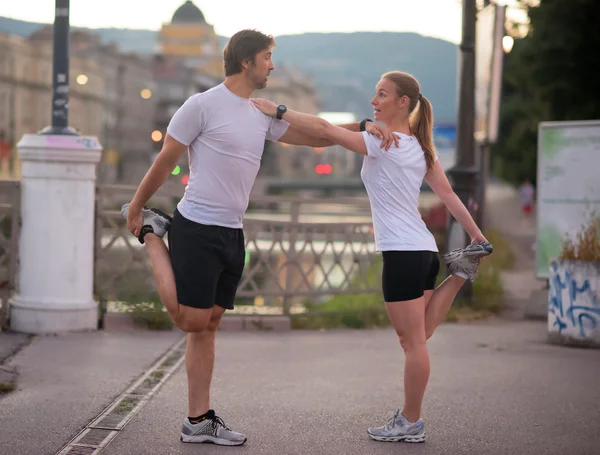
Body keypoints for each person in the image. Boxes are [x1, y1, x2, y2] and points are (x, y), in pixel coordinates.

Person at [120, 29, 398, 446]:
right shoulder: (201, 105)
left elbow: (316, 136)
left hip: (232, 230)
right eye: (267, 57)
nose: (272, 65)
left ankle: (198, 420)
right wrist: (139, 206)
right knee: (192, 319)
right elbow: (166, 160)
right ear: (247, 61)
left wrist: (361, 129)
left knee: (209, 324)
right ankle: (153, 235)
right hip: (195, 224)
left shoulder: (260, 113)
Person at [251, 70, 493, 443]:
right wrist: (476, 234)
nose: (373, 101)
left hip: (403, 252)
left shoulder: (384, 141)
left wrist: (279, 110)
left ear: (403, 103)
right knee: (421, 334)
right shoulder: (419, 147)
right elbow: (448, 195)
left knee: (413, 342)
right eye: (374, 94)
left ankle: (410, 422)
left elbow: (324, 129)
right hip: (424, 250)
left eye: (382, 95)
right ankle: (459, 272)